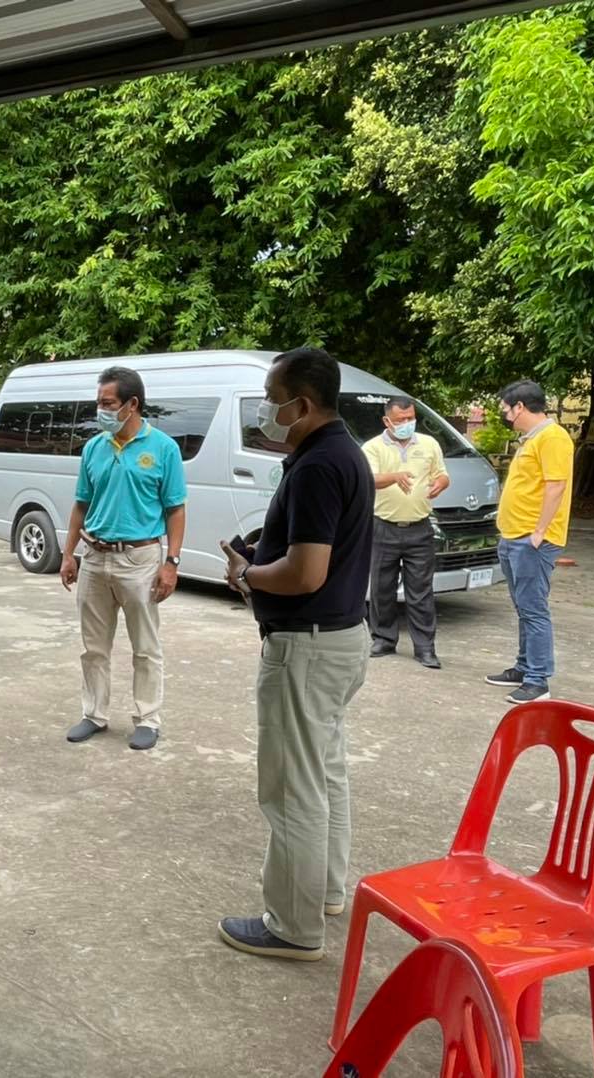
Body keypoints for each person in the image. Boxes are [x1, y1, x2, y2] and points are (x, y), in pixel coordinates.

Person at [217, 347, 373, 962]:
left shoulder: (315, 466)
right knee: (324, 774)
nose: (266, 411)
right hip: (339, 640)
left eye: (272, 399)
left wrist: (250, 574)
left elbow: (305, 573)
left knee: (291, 790)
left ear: (302, 404)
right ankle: (325, 893)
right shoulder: (342, 453)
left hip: (306, 648)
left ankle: (291, 925)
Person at [59, 366, 187, 751]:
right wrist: (69, 554)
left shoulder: (163, 448)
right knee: (93, 646)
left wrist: (172, 563)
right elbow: (81, 503)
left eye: (107, 403)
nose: (101, 410)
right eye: (99, 403)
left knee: (145, 646)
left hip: (140, 558)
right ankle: (94, 714)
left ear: (132, 404)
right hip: (94, 557)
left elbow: (175, 510)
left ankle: (148, 719)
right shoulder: (94, 447)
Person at [486, 380, 573, 704]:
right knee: (524, 607)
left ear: (520, 407)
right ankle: (524, 668)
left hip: (531, 540)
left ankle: (538, 680)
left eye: (506, 410)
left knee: (534, 610)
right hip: (514, 536)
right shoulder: (532, 439)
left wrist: (539, 532)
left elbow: (556, 486)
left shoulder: (552, 437)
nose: (506, 417)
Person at [362, 396, 449, 668]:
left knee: (421, 591)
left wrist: (441, 483)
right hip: (382, 526)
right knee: (381, 588)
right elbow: (369, 479)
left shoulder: (429, 444)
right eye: (401, 420)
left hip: (419, 528)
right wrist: (395, 476)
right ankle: (383, 639)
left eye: (411, 418)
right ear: (387, 421)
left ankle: (425, 648)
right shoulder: (373, 448)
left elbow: (442, 474)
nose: (407, 424)